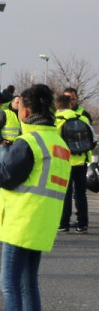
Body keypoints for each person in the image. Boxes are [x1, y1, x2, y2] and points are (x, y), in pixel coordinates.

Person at [0, 84, 71, 311]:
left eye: (19, 108)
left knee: (9, 281)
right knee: (29, 283)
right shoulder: (59, 144)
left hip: (22, 220)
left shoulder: (29, 143)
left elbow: (7, 175)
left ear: (27, 112)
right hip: (43, 222)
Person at [55, 94, 89, 233]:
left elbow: (54, 141)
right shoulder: (83, 118)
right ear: (70, 104)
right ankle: (82, 223)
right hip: (81, 160)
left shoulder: (57, 119)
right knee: (81, 194)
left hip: (64, 161)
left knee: (65, 193)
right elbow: (91, 139)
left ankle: (64, 223)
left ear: (57, 106)